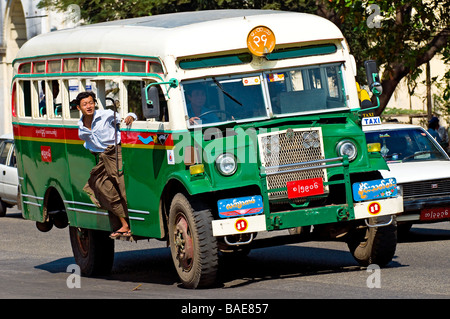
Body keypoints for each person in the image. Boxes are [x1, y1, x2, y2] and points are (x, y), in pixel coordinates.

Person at [76, 91, 137, 239]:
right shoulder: (81, 128)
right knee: (106, 191)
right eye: (85, 104)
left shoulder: (106, 115)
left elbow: (128, 116)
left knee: (124, 188)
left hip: (116, 153)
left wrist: (131, 117)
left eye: (91, 103)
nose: (89, 106)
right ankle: (124, 224)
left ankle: (136, 224)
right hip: (103, 159)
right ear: (79, 108)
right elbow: (87, 143)